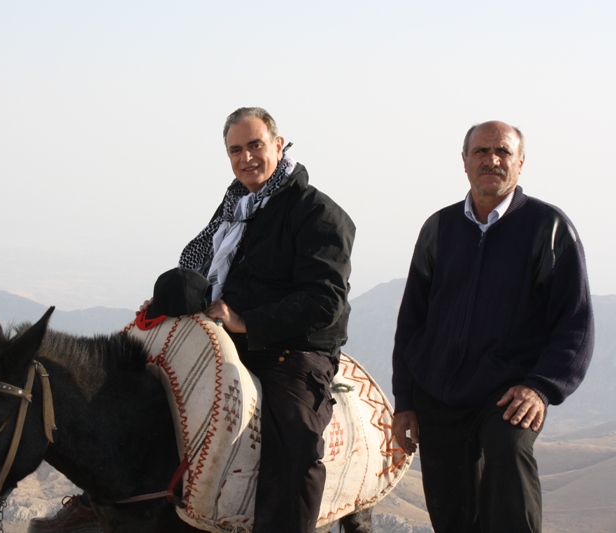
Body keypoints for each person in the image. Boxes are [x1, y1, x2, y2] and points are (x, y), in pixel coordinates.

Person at [29, 107, 355, 533]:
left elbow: (324, 300)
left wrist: (245, 320)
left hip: (290, 350)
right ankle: (105, 499)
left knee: (295, 444)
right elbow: (202, 271)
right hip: (220, 335)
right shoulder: (235, 206)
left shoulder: (319, 213)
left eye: (255, 145)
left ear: (278, 144)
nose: (246, 158)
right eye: (235, 150)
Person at [391, 120, 594, 533]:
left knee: (508, 457)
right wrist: (405, 398)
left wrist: (541, 386)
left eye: (503, 152)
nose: (492, 160)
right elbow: (412, 319)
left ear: (521, 163)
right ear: (464, 161)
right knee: (452, 515)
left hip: (508, 391)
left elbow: (574, 323)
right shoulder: (439, 229)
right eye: (481, 152)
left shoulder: (548, 228)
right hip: (439, 392)